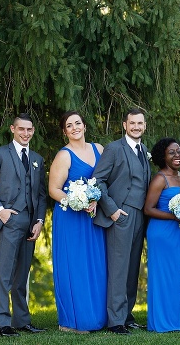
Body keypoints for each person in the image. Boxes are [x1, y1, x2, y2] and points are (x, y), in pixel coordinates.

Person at [0, 113, 48, 337]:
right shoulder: (0, 154)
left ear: (33, 131)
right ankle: (2, 324)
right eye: (21, 129)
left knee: (22, 275)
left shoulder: (37, 158)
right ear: (12, 129)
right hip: (9, 220)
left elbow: (41, 194)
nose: (25, 133)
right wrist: (1, 211)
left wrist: (39, 221)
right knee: (5, 274)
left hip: (31, 223)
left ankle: (22, 321)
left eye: (29, 129)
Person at [92, 108, 151, 335]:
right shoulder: (114, 148)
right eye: (132, 123)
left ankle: (127, 315)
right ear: (124, 125)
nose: (136, 127)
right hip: (121, 214)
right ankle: (115, 321)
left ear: (144, 126)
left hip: (140, 215)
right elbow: (98, 180)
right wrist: (112, 210)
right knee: (119, 268)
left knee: (132, 267)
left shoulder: (143, 149)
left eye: (140, 123)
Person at [48, 111, 106, 334]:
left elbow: (104, 180)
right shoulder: (64, 156)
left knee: (95, 265)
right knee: (75, 266)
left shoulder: (99, 149)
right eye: (69, 125)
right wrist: (77, 202)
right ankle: (72, 321)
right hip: (71, 218)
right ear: (65, 131)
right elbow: (54, 189)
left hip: (93, 216)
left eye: (78, 123)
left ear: (85, 126)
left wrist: (96, 199)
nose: (75, 128)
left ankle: (97, 317)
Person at [143, 138, 180, 333]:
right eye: (171, 152)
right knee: (162, 277)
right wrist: (174, 216)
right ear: (162, 157)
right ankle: (160, 322)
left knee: (176, 276)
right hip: (162, 233)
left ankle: (175, 320)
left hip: (179, 233)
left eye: (178, 151)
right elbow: (148, 209)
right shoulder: (160, 179)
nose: (177, 155)